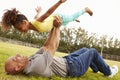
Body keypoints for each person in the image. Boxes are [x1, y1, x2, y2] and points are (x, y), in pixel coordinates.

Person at [5, 16, 118, 78]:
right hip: (73, 68)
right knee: (92, 52)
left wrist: (52, 28)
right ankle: (109, 72)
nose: (18, 55)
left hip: (66, 60)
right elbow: (53, 47)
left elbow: (45, 46)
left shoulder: (29, 61)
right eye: (16, 58)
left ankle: (96, 68)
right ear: (18, 68)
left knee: (84, 50)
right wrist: (58, 28)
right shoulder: (35, 67)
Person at [1, 0, 93, 33]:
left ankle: (85, 9)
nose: (21, 31)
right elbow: (37, 17)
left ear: (24, 22)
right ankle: (73, 19)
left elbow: (48, 13)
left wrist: (59, 2)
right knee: (68, 21)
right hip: (55, 22)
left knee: (70, 18)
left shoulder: (35, 23)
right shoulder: (33, 22)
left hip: (58, 17)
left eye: (20, 28)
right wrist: (39, 11)